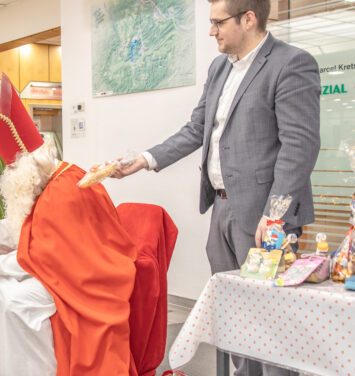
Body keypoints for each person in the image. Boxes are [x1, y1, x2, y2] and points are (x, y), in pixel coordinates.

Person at [111, 1, 320, 375]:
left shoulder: (291, 63)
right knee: (236, 314)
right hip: (222, 209)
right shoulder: (220, 67)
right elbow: (197, 128)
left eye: (217, 23)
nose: (211, 32)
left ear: (249, 19)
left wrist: (275, 214)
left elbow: (299, 146)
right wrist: (145, 158)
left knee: (271, 319)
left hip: (265, 217)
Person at [0, 73, 139, 376]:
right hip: (67, 270)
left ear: (26, 169)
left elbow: (47, 257)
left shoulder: (63, 192)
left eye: (11, 168)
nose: (8, 175)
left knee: (16, 302)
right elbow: (28, 233)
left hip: (92, 280)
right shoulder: (48, 181)